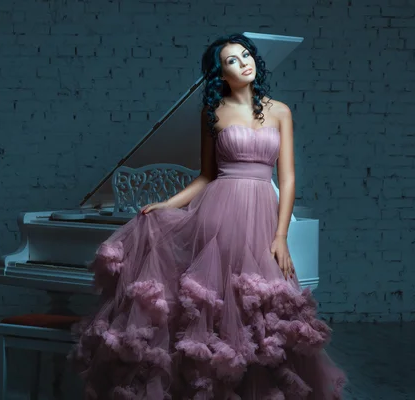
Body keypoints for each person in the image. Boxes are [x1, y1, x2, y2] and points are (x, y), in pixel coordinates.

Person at [68, 33, 346, 399]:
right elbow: (206, 175)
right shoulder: (213, 112)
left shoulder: (279, 111)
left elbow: (288, 178)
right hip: (218, 213)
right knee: (213, 307)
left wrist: (280, 236)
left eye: (246, 54)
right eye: (232, 60)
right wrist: (167, 205)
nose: (243, 61)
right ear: (220, 73)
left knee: (257, 307)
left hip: (261, 214)